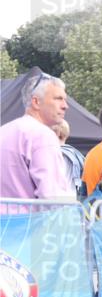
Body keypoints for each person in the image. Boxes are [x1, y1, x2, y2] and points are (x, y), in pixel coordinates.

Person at [0, 71, 73, 200]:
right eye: (58, 99)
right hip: (31, 219)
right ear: (36, 102)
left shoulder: (4, 131)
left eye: (65, 100)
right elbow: (53, 196)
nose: (65, 106)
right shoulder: (43, 136)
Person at [51, 119, 85, 199]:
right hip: (71, 198)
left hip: (55, 200)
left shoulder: (57, 154)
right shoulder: (75, 154)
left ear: (56, 133)